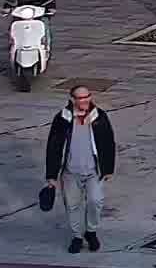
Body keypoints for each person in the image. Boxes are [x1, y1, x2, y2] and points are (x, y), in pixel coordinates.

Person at [45, 85, 115, 253]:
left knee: (95, 201)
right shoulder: (62, 118)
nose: (85, 101)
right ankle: (77, 236)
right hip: (70, 172)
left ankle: (91, 232)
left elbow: (108, 143)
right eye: (81, 98)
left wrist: (108, 169)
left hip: (93, 171)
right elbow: (53, 146)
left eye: (87, 97)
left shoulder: (99, 117)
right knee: (72, 205)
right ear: (72, 100)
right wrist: (51, 175)